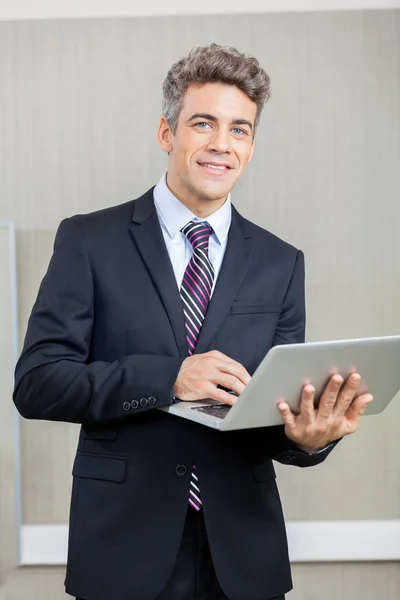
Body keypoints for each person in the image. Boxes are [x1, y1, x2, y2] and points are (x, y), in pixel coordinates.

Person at [13, 43, 373, 600]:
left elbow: (272, 410)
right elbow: (37, 384)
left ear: (252, 146)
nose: (221, 145)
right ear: (167, 133)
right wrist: (169, 379)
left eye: (240, 129)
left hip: (244, 554)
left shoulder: (281, 262)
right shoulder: (89, 241)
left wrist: (308, 438)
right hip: (122, 549)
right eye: (203, 124)